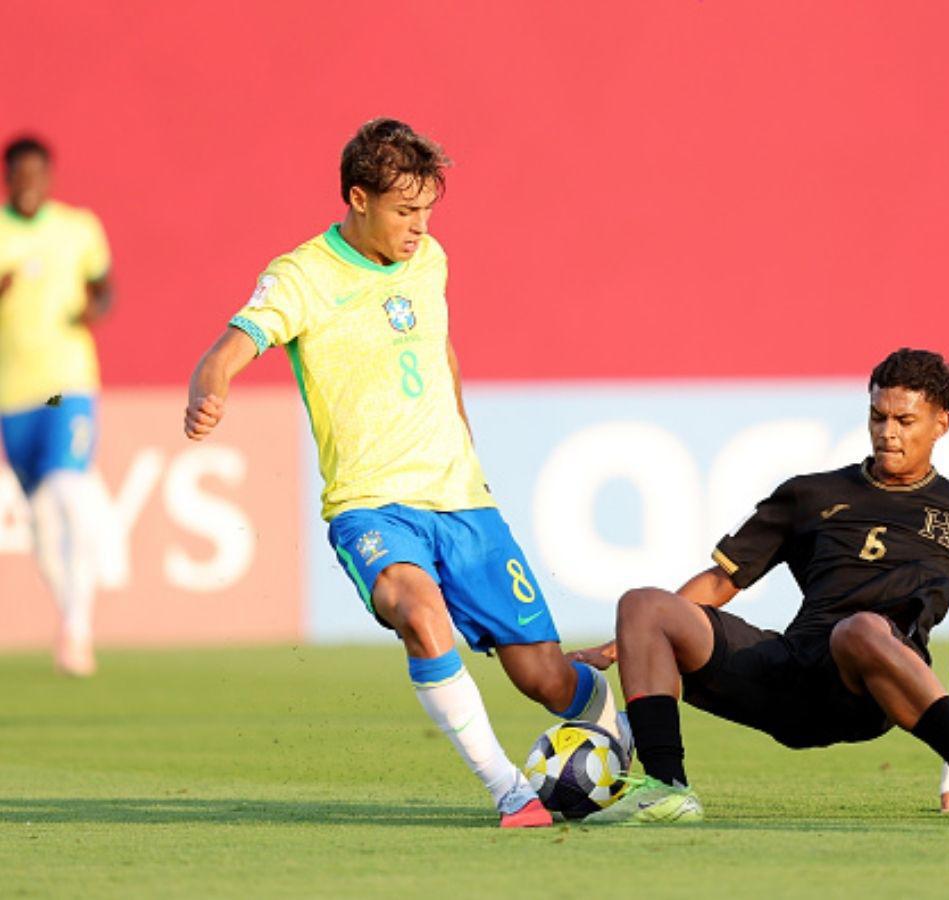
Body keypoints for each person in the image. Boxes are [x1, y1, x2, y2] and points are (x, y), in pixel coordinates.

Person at [184, 118, 622, 828]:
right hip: (372, 507)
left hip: (463, 501)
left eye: (427, 211)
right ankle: (511, 791)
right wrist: (212, 388)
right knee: (422, 616)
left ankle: (615, 729)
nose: (419, 228)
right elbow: (232, 345)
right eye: (403, 211)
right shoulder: (303, 276)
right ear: (358, 198)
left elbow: (440, 353)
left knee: (541, 675)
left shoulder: (430, 261)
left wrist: (466, 442)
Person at [575, 349, 949, 825]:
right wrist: (624, 646)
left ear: (941, 423)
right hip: (790, 674)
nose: (887, 433)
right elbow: (723, 581)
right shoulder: (811, 495)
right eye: (878, 416)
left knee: (859, 631)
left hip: (871, 689)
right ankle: (667, 788)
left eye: (904, 421)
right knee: (641, 604)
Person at [0, 136, 112, 676]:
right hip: (15, 394)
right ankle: (69, 616)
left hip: (65, 384)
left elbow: (105, 289)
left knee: (70, 486)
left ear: (48, 176)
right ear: (7, 178)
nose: (27, 183)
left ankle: (79, 625)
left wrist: (94, 306)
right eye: (18, 174)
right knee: (42, 518)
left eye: (35, 173)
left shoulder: (78, 229)